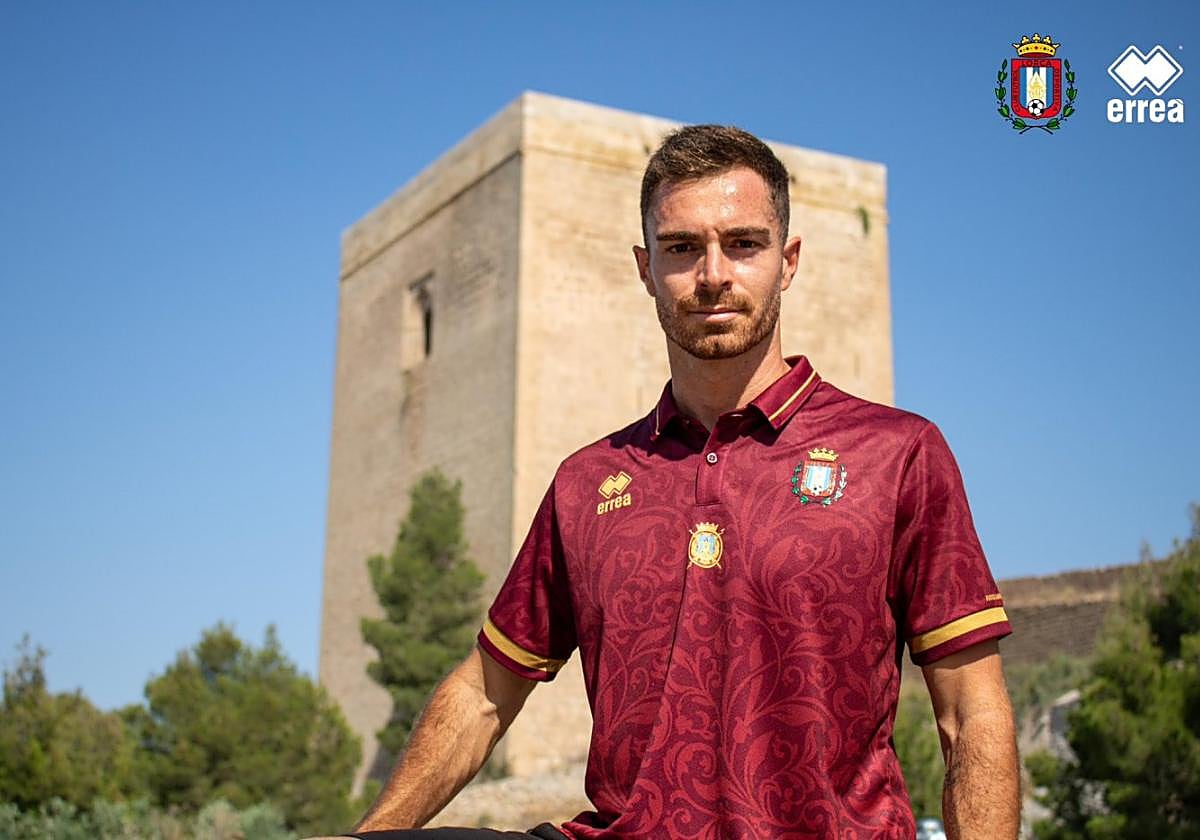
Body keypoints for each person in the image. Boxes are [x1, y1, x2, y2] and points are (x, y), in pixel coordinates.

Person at [334, 125, 1019, 839]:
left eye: (743, 244)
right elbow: (484, 693)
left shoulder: (897, 454)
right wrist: (363, 838)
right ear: (645, 267)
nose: (713, 274)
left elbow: (971, 712)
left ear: (787, 262)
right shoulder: (587, 484)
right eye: (683, 248)